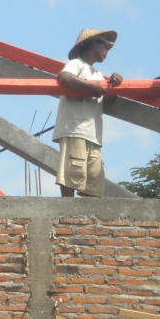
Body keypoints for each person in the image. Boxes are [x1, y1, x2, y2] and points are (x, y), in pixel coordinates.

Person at [53, 29, 123, 197]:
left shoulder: (98, 75)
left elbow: (107, 103)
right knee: (71, 174)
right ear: (93, 44)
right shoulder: (77, 64)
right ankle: (67, 213)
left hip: (93, 134)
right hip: (75, 128)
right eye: (104, 46)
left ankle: (87, 221)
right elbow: (64, 78)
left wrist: (113, 86)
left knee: (94, 181)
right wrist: (90, 87)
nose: (106, 52)